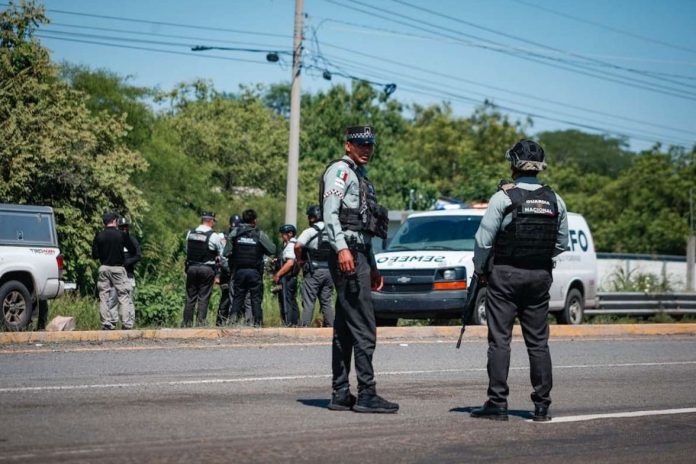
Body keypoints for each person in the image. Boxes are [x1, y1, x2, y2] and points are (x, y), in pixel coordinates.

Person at [470, 139, 568, 422]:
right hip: (539, 277)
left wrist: (481, 271)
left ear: (513, 164)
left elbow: (483, 242)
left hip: (506, 274)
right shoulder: (555, 200)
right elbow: (561, 244)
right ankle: (542, 406)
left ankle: (498, 404)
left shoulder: (503, 198)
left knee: (500, 340)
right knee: (538, 342)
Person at [321, 125, 398, 413]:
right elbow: (330, 213)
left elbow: (364, 227)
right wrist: (341, 248)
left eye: (370, 145)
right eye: (360, 144)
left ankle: (341, 393)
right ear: (348, 145)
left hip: (359, 255)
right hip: (347, 255)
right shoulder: (340, 171)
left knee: (344, 328)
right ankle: (367, 393)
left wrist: (374, 265)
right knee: (365, 325)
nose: (366, 149)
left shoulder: (360, 176)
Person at [225, 209, 276, 326]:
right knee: (255, 299)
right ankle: (257, 324)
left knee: (237, 298)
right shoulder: (259, 234)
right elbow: (272, 249)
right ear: (254, 221)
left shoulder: (235, 233)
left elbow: (226, 252)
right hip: (254, 272)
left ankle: (232, 324)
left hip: (239, 271)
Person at [91, 212, 137, 330]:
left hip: (104, 268)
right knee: (124, 295)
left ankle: (106, 323)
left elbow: (94, 255)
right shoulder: (121, 235)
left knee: (104, 296)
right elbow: (132, 249)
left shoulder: (99, 235)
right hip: (118, 268)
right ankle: (126, 323)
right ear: (114, 221)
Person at [294, 205, 335, 327]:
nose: (308, 219)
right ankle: (331, 328)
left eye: (309, 217)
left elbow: (297, 246)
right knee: (326, 301)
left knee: (309, 300)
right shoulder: (332, 231)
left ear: (313, 218)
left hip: (314, 271)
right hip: (329, 271)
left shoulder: (310, 231)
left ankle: (304, 327)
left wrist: (299, 259)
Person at [182, 211, 225, 327]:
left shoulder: (190, 233)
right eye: (214, 222)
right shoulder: (214, 236)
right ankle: (200, 324)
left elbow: (187, 250)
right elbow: (222, 254)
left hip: (191, 268)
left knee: (190, 298)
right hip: (206, 269)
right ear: (211, 221)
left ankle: (186, 324)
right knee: (203, 298)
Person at [108, 217, 142, 326]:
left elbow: (138, 256)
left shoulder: (132, 240)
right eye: (122, 227)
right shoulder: (113, 240)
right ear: (118, 227)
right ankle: (111, 323)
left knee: (129, 300)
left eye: (126, 227)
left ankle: (128, 324)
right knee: (112, 299)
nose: (124, 229)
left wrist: (126, 263)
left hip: (128, 275)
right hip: (114, 275)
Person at [216, 214, 240, 326]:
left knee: (238, 298)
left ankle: (235, 321)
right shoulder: (223, 236)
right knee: (225, 298)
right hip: (226, 273)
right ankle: (220, 322)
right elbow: (221, 256)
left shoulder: (241, 235)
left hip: (237, 272)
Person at [274, 224, 300, 326]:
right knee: (291, 299)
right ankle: (294, 322)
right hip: (290, 277)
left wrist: (277, 274)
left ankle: (289, 322)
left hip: (287, 277)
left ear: (290, 234)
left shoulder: (290, 245)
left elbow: (290, 263)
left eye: (283, 234)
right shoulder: (290, 244)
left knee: (287, 300)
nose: (282, 236)